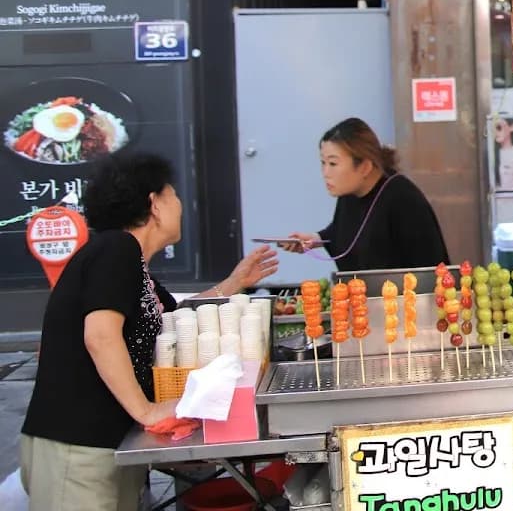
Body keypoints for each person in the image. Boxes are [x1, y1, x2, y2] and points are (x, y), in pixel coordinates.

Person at [20, 152, 279, 511]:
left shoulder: (134, 266)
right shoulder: (116, 249)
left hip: (109, 443)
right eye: (173, 195)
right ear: (154, 204)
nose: (180, 206)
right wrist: (148, 411)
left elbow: (176, 318)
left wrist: (233, 284)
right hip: (77, 446)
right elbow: (100, 335)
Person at [285, 117, 449, 271]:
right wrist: (314, 239)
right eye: (323, 162)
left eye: (333, 163)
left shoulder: (402, 199)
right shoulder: (349, 192)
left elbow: (430, 267)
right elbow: (345, 231)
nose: (325, 172)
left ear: (365, 166)